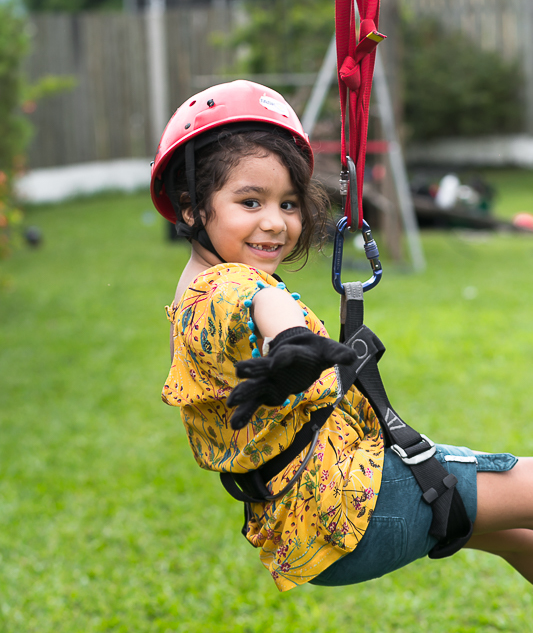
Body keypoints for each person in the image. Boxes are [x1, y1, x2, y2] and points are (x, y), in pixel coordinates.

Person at [150, 80, 533, 592]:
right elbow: (261, 301)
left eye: (288, 203)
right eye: (249, 201)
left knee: (516, 536)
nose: (276, 223)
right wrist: (293, 343)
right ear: (194, 208)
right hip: (353, 502)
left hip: (308, 524)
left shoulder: (188, 292)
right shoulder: (225, 285)